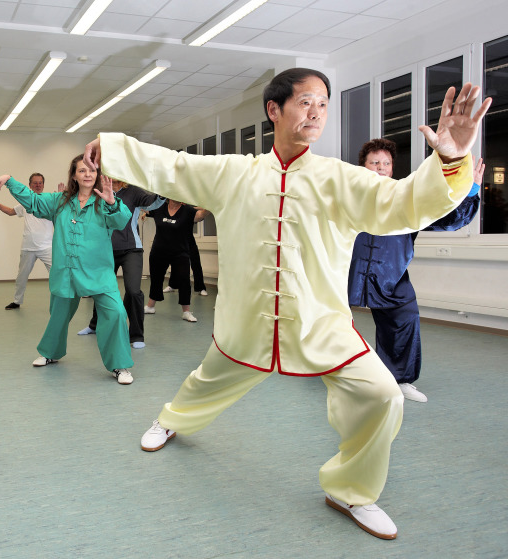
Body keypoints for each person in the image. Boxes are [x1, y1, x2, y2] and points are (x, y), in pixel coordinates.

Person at [83, 68, 490, 539]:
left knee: (382, 394)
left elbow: (405, 203)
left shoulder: (343, 179)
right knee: (205, 381)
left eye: (323, 103)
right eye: (304, 102)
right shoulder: (234, 173)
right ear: (274, 110)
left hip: (321, 325)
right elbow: (173, 166)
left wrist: (450, 158)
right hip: (247, 321)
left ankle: (351, 490)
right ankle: (170, 420)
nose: (316, 112)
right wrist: (112, 147)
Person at [348, 139, 483, 403]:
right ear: (363, 166)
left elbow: (445, 217)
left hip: (391, 277)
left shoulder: (406, 197)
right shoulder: (348, 196)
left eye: (386, 163)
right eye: (374, 162)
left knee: (404, 318)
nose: (380, 168)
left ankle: (399, 380)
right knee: (329, 320)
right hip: (347, 273)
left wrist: (470, 189)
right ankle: (337, 372)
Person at [0, 155, 135, 384]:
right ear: (74, 176)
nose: (87, 174)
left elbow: (121, 222)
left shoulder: (105, 201)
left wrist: (112, 202)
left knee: (116, 312)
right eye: (82, 170)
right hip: (67, 271)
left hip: (98, 273)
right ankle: (50, 353)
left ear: (97, 174)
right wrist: (9, 180)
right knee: (58, 315)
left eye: (91, 170)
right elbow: (33, 202)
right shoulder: (60, 201)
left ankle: (119, 366)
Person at [77, 180, 164, 348]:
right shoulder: (98, 191)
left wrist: (163, 192)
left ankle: (137, 335)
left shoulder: (134, 192)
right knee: (101, 288)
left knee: (133, 291)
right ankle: (94, 325)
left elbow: (153, 203)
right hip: (105, 249)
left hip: (131, 249)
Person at [0, 172, 54, 310]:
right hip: (28, 247)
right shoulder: (25, 202)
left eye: (40, 182)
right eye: (35, 183)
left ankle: (60, 301)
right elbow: (11, 211)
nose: (38, 185)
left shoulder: (50, 201)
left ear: (43, 185)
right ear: (29, 185)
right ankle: (17, 301)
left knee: (57, 275)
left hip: (47, 247)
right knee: (21, 277)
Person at [144, 199, 209, 322]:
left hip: (180, 252)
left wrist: (210, 206)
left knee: (184, 280)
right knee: (156, 279)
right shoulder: (159, 207)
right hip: (159, 251)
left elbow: (200, 216)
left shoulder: (188, 210)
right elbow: (144, 208)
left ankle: (186, 312)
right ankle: (150, 306)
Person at [164, 213, 209, 296]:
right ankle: (172, 285)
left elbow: (200, 215)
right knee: (175, 263)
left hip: (189, 241)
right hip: (177, 241)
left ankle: (201, 288)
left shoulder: (189, 211)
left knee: (196, 263)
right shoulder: (173, 211)